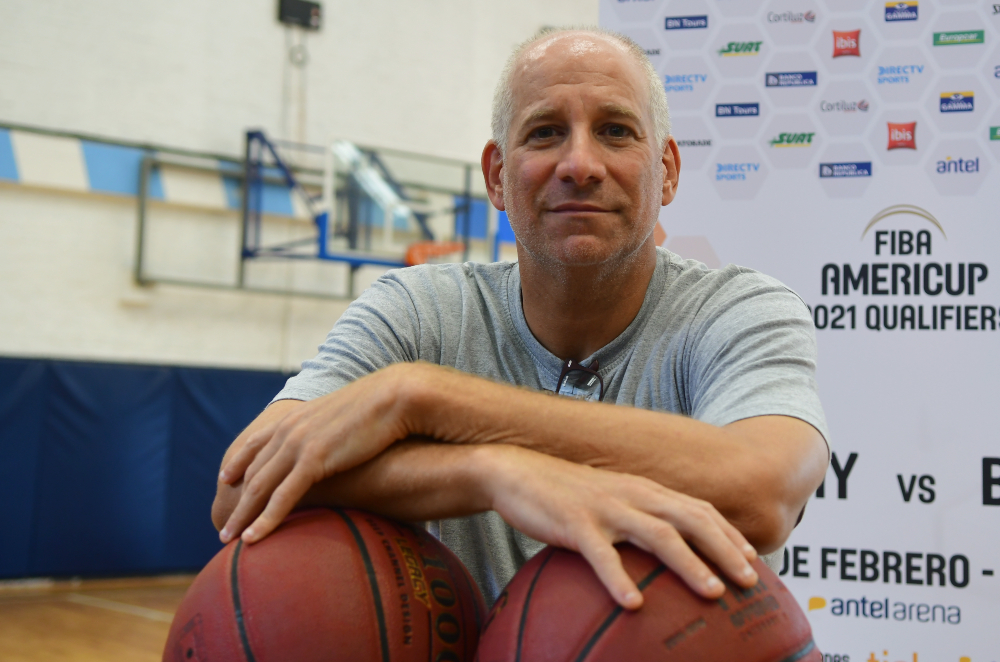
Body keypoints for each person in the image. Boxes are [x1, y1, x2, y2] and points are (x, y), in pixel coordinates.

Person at [211, 27, 829, 611]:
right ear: (497, 176)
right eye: (544, 133)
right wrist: (490, 472)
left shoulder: (739, 309)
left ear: (666, 170)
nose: (580, 164)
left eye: (615, 131)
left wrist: (429, 400)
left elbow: (762, 491)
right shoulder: (417, 310)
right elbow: (243, 486)